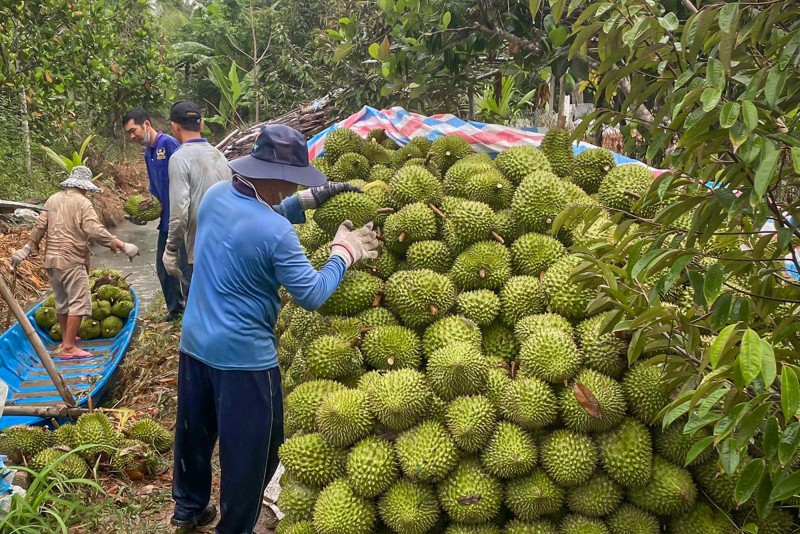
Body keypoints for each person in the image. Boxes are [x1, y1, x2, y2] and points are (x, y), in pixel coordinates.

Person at [170, 124, 378, 532]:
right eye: (290, 182)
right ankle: (235, 528)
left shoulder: (215, 197)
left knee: (194, 435)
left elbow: (251, 222)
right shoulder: (278, 233)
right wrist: (344, 252)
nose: (290, 189)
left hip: (195, 344)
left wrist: (307, 201)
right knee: (251, 456)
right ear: (274, 176)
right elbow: (314, 294)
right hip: (245, 361)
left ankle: (189, 509)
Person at [11, 166, 140, 358]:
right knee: (79, 302)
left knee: (62, 302)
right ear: (84, 186)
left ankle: (66, 338)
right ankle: (69, 348)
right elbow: (94, 230)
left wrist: (27, 249)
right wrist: (121, 244)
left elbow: (40, 226)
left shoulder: (53, 198)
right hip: (72, 260)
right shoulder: (83, 203)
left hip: (52, 260)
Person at [121, 107, 189, 322]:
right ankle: (175, 310)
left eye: (134, 130)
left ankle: (192, 312)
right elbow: (155, 189)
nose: (132, 136)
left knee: (186, 267)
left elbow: (185, 178)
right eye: (129, 133)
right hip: (166, 220)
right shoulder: (148, 152)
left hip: (182, 218)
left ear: (147, 125)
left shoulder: (168, 144)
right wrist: (145, 209)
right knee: (163, 267)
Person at [161, 100, 232, 284]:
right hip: (227, 244)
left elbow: (179, 213)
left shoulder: (179, 158)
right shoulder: (219, 156)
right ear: (201, 124)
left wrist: (171, 249)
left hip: (200, 248)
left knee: (200, 304)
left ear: (174, 126)